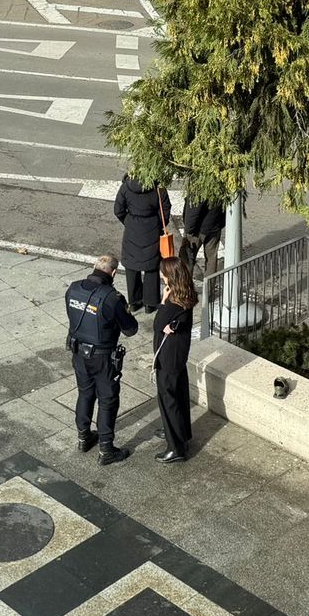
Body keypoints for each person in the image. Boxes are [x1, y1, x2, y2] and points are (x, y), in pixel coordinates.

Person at [66, 254, 139, 465]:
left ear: (94, 266)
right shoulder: (112, 298)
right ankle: (106, 449)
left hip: (78, 353)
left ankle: (84, 437)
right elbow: (131, 329)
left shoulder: (73, 288)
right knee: (107, 400)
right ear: (113, 272)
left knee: (85, 393)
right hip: (103, 357)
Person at [152, 255, 196, 463]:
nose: (161, 276)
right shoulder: (187, 293)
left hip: (168, 356)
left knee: (168, 398)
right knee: (179, 394)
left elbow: (157, 324)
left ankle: (175, 447)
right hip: (179, 353)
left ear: (169, 276)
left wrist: (162, 301)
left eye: (163, 273)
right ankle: (179, 432)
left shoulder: (171, 301)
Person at [113, 174, 171, 313]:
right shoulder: (158, 189)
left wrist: (128, 221)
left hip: (132, 228)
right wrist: (157, 224)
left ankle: (134, 301)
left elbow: (118, 210)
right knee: (151, 266)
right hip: (152, 228)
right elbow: (165, 209)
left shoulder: (126, 187)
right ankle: (150, 303)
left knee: (132, 266)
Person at [181, 196, 226, 301]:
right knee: (211, 260)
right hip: (214, 227)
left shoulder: (199, 188)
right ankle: (208, 294)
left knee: (187, 259)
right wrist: (219, 224)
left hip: (197, 230)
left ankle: (184, 292)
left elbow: (193, 209)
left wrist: (188, 231)